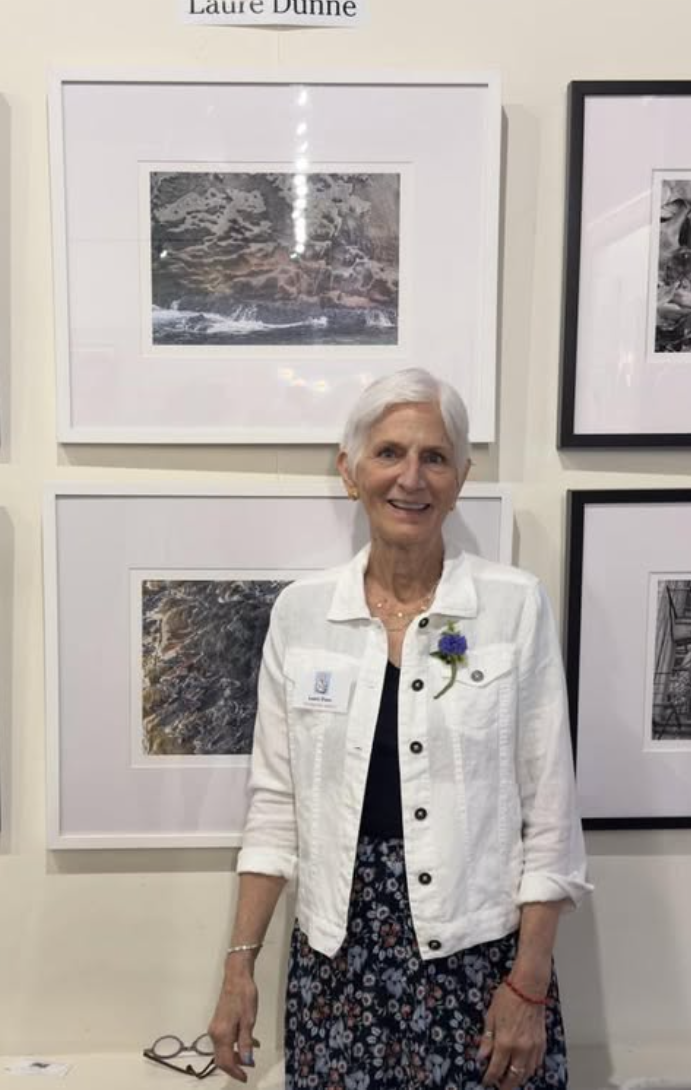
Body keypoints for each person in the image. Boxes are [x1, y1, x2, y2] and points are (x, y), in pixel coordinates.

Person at [208, 368, 590, 1089]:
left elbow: (551, 816)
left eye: (434, 457)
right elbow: (274, 806)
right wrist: (239, 966)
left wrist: (530, 983)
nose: (410, 477)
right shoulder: (302, 613)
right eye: (388, 453)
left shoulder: (512, 608)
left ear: (461, 477)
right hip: (336, 963)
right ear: (349, 471)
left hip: (481, 962)